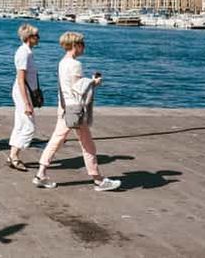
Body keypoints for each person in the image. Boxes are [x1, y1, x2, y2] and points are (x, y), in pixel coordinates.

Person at [33, 31, 121, 191]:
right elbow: (78, 88)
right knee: (88, 145)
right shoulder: (75, 64)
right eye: (82, 44)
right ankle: (98, 180)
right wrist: (94, 82)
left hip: (64, 107)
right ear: (75, 45)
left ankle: (41, 174)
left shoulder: (62, 62)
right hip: (76, 110)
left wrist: (88, 81)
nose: (84, 47)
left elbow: (69, 86)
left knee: (55, 141)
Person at [7, 23, 40, 171]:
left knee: (20, 124)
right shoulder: (24, 53)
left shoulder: (27, 52)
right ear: (29, 38)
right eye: (36, 36)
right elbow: (21, 79)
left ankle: (12, 155)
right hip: (23, 93)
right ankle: (14, 156)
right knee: (29, 127)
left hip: (24, 92)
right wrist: (26, 102)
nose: (39, 38)